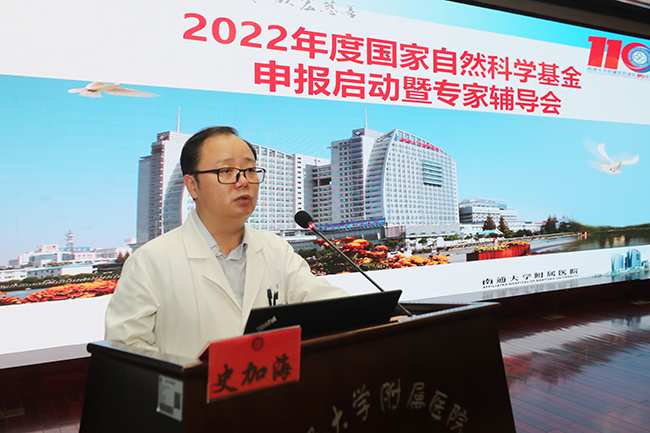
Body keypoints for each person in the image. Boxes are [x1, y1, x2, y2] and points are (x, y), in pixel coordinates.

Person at [105, 126, 348, 359]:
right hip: (193, 389)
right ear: (192, 185)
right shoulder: (150, 262)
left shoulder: (276, 249)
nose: (243, 181)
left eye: (250, 170)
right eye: (226, 171)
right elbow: (126, 351)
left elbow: (325, 304)